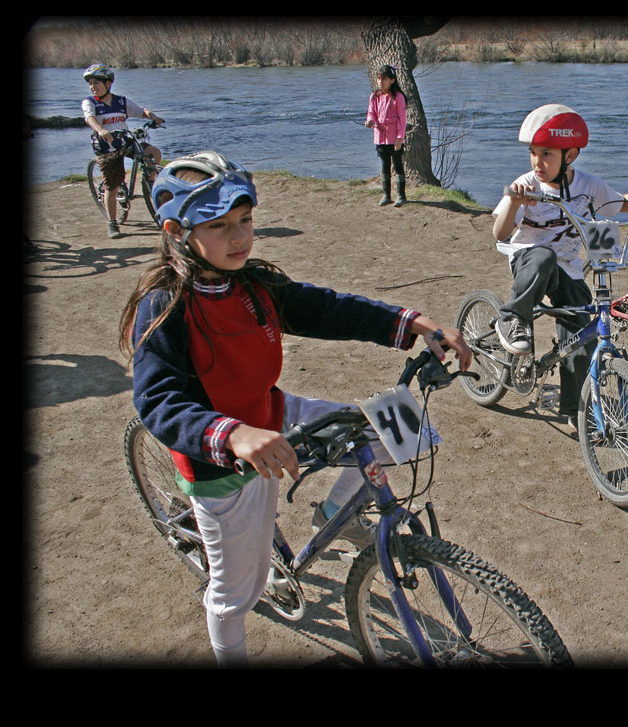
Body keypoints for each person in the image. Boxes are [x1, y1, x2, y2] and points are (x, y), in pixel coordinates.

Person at [119, 151, 470, 667]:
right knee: (239, 589)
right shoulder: (164, 306)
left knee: (408, 434)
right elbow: (158, 400)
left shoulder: (255, 284)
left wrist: (414, 323)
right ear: (176, 230)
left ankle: (333, 515)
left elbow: (328, 308)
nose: (239, 237)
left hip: (274, 412)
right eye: (219, 226)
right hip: (221, 462)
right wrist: (233, 435)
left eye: (245, 220)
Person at [492, 104, 628, 427]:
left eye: (547, 155)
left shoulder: (588, 185)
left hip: (567, 267)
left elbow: (622, 202)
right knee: (544, 256)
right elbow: (499, 232)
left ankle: (572, 409)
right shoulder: (526, 184)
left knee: (585, 329)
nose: (537, 163)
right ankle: (512, 318)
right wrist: (514, 199)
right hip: (530, 260)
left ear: (570, 156)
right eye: (534, 153)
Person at [81, 64, 163, 239]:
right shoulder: (90, 102)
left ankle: (149, 180)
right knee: (112, 185)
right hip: (106, 147)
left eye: (96, 82)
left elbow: (142, 111)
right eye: (90, 83)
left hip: (125, 142)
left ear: (108, 83)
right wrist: (101, 130)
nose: (92, 86)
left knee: (154, 153)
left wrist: (153, 117)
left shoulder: (121, 101)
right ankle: (112, 223)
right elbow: (89, 118)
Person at [365, 64, 408, 207]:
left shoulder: (399, 97)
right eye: (379, 79)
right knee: (384, 166)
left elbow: (402, 119)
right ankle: (386, 195)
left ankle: (401, 195)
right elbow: (371, 112)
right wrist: (370, 121)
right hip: (380, 137)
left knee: (397, 165)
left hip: (394, 137)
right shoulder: (374, 96)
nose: (380, 82)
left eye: (384, 79)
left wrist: (399, 138)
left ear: (392, 80)